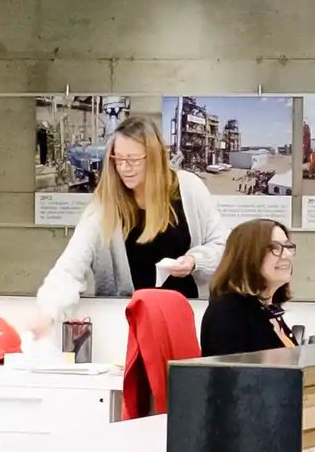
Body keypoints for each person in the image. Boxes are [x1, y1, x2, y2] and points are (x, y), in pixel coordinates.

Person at [32, 117, 226, 334]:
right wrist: (48, 311)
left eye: (133, 159)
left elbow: (221, 245)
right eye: (118, 159)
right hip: (126, 329)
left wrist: (194, 261)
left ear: (153, 158)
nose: (124, 167)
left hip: (185, 323)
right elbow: (70, 266)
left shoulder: (188, 188)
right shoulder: (103, 207)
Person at [200, 220, 296, 354]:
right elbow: (232, 372)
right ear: (247, 255)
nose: (286, 255)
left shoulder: (268, 310)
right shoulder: (228, 312)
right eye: (274, 248)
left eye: (287, 246)